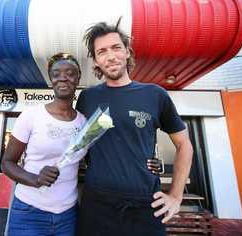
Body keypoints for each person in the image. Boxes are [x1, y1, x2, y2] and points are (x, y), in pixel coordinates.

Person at [75, 18, 193, 236]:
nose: (110, 56)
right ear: (96, 62)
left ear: (127, 52)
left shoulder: (155, 94)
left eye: (116, 48)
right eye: (101, 52)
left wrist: (176, 196)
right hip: (96, 207)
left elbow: (184, 144)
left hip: (145, 207)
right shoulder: (87, 98)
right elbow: (77, 145)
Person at [1, 53, 87, 236]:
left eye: (70, 73)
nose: (63, 78)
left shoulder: (84, 123)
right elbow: (7, 163)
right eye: (56, 74)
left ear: (78, 77)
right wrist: (35, 179)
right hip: (29, 211)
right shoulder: (31, 116)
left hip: (68, 214)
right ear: (51, 79)